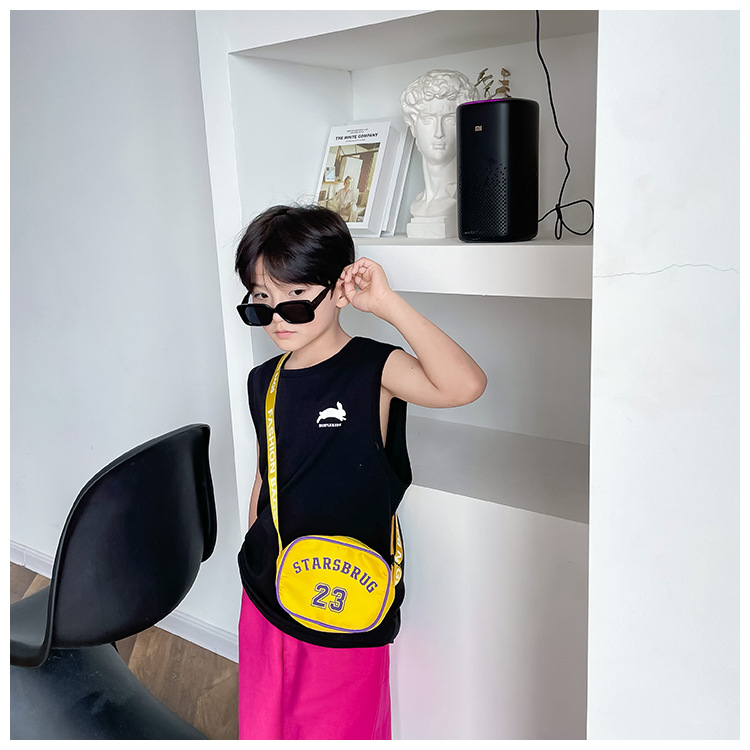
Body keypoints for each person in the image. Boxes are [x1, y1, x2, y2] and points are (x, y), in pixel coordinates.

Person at [234, 204, 486, 740]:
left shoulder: (375, 368)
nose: (277, 318)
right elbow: (267, 471)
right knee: (265, 725)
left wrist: (388, 305)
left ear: (337, 291)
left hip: (347, 598)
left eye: (296, 296)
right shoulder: (263, 380)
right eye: (261, 300)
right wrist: (255, 539)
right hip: (267, 587)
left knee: (342, 729)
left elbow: (464, 385)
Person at [400, 69, 478, 236]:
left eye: (450, 119)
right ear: (413, 127)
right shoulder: (418, 205)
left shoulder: (466, 200)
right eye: (428, 119)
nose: (438, 132)